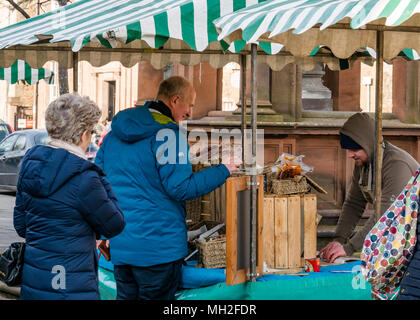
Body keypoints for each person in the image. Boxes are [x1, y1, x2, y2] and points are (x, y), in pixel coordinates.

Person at [95, 76, 240, 300]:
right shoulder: (170, 134)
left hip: (122, 247)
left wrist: (104, 232)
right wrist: (224, 169)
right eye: (189, 105)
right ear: (175, 100)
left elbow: (100, 185)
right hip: (158, 250)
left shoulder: (113, 135)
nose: (190, 112)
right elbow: (180, 188)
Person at [13, 93, 126, 300]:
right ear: (83, 134)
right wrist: (99, 174)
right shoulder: (85, 177)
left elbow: (21, 226)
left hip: (35, 280)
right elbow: (114, 224)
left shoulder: (29, 164)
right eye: (91, 131)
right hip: (72, 285)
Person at [319, 112, 419, 263]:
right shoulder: (364, 163)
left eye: (354, 149)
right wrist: (338, 240)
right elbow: (354, 203)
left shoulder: (397, 165)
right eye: (347, 149)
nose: (350, 155)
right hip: (402, 233)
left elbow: (385, 214)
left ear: (368, 144)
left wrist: (350, 247)